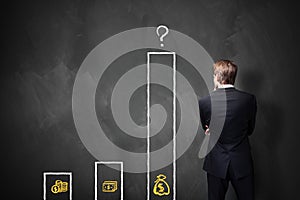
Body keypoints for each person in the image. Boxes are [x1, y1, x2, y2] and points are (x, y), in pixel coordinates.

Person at [198, 60, 257, 200]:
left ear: (218, 77)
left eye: (214, 76)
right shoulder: (248, 100)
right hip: (241, 162)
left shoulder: (205, 102)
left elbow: (206, 127)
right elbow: (250, 129)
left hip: (216, 163)